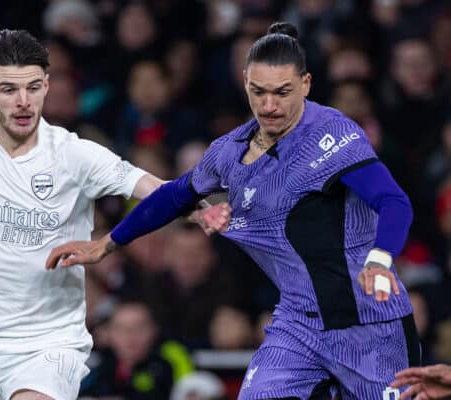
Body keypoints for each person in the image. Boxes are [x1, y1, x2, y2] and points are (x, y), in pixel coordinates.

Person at [48, 22, 421, 399]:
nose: (269, 106)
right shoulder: (229, 152)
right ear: (244, 82)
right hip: (298, 324)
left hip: (370, 323)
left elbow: (393, 201)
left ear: (306, 84)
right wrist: (107, 244)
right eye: (259, 92)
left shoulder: (332, 134)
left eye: (282, 92)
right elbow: (175, 195)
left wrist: (381, 257)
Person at [0, 29, 229, 400]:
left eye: (32, 88)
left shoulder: (75, 154)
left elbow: (151, 186)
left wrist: (195, 210)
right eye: (9, 89)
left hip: (49, 341)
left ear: (47, 86)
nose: (22, 102)